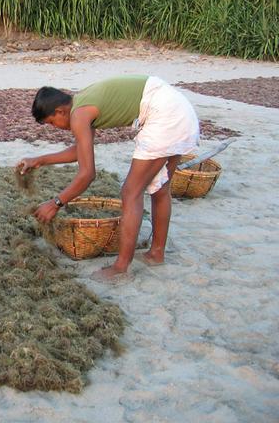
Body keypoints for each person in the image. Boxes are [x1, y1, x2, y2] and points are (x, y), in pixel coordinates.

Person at [17, 75, 199, 280]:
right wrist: (39, 160)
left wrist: (56, 203)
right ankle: (156, 254)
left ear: (60, 111)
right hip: (177, 108)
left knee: (131, 192)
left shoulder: (78, 115)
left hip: (163, 115)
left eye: (52, 122)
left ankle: (121, 267)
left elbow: (87, 174)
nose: (55, 127)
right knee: (159, 188)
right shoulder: (82, 103)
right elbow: (79, 151)